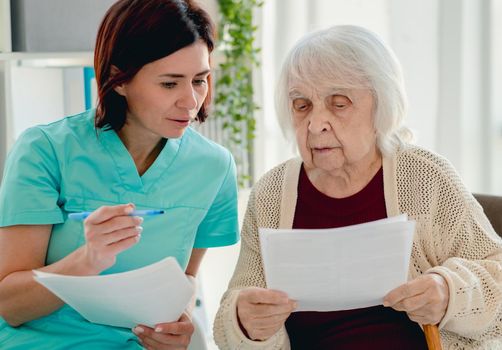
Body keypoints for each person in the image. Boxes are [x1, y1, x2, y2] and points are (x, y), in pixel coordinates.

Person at [213, 25, 502, 349]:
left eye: (339, 103)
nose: (316, 123)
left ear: (381, 106)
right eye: (302, 104)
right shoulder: (272, 193)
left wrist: (448, 292)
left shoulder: (425, 177)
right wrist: (246, 322)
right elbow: (228, 325)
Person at [0, 0, 239, 349]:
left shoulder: (214, 167)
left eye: (200, 80)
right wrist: (86, 261)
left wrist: (179, 324)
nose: (192, 102)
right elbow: (10, 306)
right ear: (118, 78)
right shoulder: (45, 150)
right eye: (170, 84)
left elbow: (185, 279)